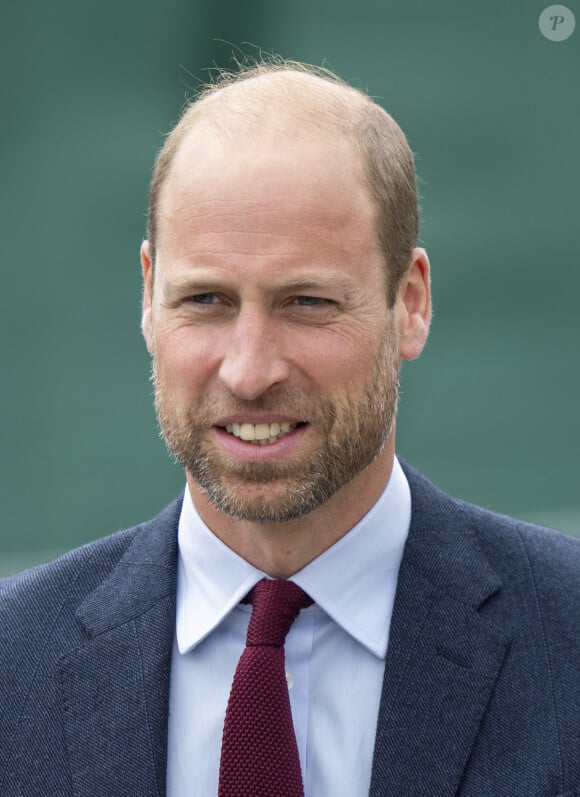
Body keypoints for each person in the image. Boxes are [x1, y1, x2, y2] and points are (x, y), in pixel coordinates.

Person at [1, 59, 580, 797]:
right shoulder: (11, 668)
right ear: (148, 297)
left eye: (306, 302)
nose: (248, 371)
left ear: (411, 302)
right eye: (206, 299)